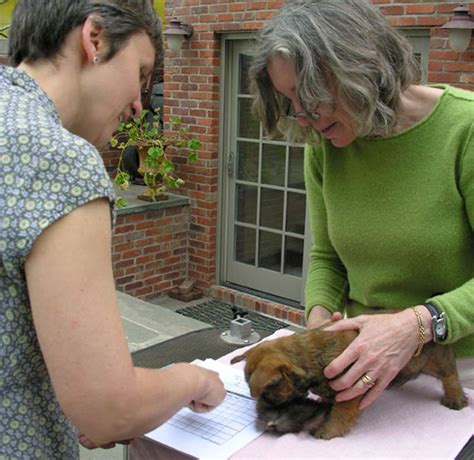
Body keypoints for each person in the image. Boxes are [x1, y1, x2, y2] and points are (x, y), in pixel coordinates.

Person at [0, 1, 226, 458]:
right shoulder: (57, 158)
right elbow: (110, 408)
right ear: (95, 39)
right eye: (141, 73)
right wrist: (196, 379)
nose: (140, 104)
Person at [248, 0, 474, 410]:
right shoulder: (326, 144)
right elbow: (326, 257)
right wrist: (317, 324)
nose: (301, 116)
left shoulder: (465, 131)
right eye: (289, 100)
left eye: (307, 94)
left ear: (358, 66)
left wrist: (417, 324)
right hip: (362, 361)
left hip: (456, 373)